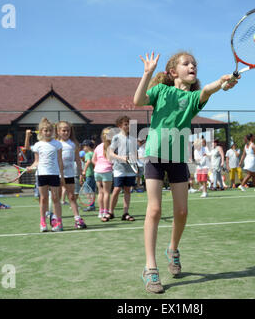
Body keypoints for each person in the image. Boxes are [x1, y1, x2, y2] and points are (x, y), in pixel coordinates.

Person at [133, 51, 238, 293]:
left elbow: (209, 89)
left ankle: (172, 249)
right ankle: (150, 267)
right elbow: (138, 101)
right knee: (155, 209)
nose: (192, 66)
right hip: (154, 155)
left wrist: (223, 82)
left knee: (181, 211)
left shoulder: (193, 98)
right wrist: (147, 73)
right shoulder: (160, 91)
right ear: (172, 72)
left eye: (194, 64)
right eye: (186, 63)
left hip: (179, 158)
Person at [29, 118, 64, 232]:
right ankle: (43, 222)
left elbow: (59, 160)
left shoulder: (57, 144)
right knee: (43, 199)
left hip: (54, 174)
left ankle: (59, 222)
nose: (48, 133)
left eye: (50, 130)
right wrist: (31, 167)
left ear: (53, 131)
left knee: (55, 198)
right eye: (45, 131)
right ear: (41, 132)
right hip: (42, 174)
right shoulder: (37, 145)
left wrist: (62, 175)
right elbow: (36, 161)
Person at [56, 121, 87, 229]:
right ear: (58, 131)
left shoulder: (73, 144)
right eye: (63, 130)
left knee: (72, 196)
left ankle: (77, 218)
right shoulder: (56, 144)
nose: (66, 132)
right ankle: (56, 219)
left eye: (68, 130)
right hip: (57, 175)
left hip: (70, 174)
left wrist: (81, 172)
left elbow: (78, 160)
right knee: (57, 198)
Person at [108, 115, 137, 222]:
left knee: (127, 191)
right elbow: (110, 153)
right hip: (119, 168)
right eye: (125, 124)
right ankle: (110, 212)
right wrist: (120, 157)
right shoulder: (116, 138)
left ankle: (125, 213)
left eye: (129, 124)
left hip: (130, 169)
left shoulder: (133, 139)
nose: (128, 126)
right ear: (120, 126)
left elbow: (135, 153)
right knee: (116, 190)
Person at [92, 127, 114, 220]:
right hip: (106, 171)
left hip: (97, 172)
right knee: (106, 193)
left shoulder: (98, 146)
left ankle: (100, 212)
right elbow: (112, 161)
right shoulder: (111, 147)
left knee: (100, 192)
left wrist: (99, 166)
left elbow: (93, 160)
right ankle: (105, 212)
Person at [81, 140, 96, 212]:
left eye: (84, 147)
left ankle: (91, 205)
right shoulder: (94, 153)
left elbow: (88, 162)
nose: (83, 148)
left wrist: (84, 171)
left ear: (88, 147)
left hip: (89, 174)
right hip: (94, 174)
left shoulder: (87, 154)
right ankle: (93, 205)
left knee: (87, 190)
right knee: (92, 191)